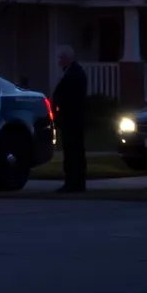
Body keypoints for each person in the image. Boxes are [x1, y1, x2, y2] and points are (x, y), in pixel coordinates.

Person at [52, 44, 88, 193]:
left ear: (67, 58)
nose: (59, 61)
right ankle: (73, 181)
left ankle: (75, 182)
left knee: (74, 151)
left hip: (73, 119)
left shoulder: (74, 74)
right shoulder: (71, 72)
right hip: (71, 119)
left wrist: (60, 106)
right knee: (72, 150)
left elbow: (71, 97)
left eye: (61, 58)